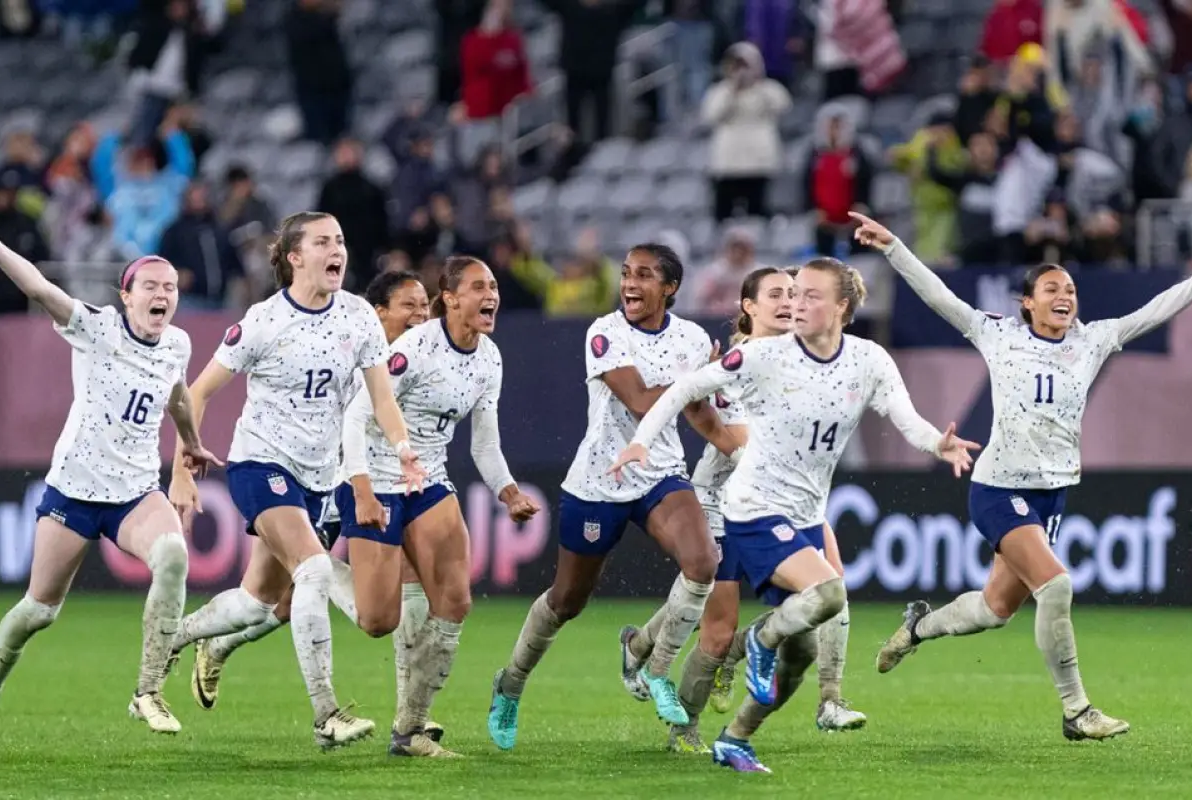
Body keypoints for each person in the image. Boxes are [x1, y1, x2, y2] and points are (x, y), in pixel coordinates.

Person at [610, 257, 977, 773]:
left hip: (803, 513)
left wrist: (938, 443)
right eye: (790, 294)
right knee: (825, 595)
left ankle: (736, 737)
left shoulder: (869, 360)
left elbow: (905, 417)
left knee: (801, 654)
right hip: (751, 506)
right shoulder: (763, 356)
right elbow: (687, 390)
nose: (795, 304)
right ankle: (718, 686)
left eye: (809, 295)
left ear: (842, 307)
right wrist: (641, 443)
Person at [852, 211, 1192, 741]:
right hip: (999, 488)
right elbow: (939, 296)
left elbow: (1159, 307)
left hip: (1052, 496)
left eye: (1071, 289)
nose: (1065, 295)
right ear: (1027, 302)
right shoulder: (997, 334)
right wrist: (894, 245)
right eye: (1052, 288)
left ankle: (918, 624)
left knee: (995, 609)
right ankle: (1077, 711)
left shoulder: (1094, 340)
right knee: (1056, 585)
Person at [165, 211, 428, 750]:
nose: (338, 250)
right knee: (312, 571)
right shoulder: (263, 321)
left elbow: (382, 397)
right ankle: (326, 715)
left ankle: (183, 635)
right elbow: (196, 392)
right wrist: (181, 468)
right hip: (260, 464)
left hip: (318, 477)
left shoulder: (357, 315)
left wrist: (403, 450)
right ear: (294, 257)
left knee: (260, 604)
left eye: (341, 240)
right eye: (324, 241)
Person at [486, 243, 742, 751]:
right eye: (626, 272)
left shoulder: (691, 337)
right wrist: (702, 378)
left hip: (660, 472)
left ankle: (659, 668)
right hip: (600, 480)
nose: (629, 282)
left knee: (703, 562)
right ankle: (511, 682)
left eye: (644, 275)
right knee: (567, 600)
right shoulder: (604, 332)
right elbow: (644, 399)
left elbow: (699, 415)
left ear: (669, 288)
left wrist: (739, 449)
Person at [621, 268, 866, 756]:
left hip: (790, 503)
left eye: (793, 295)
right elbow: (723, 434)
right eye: (775, 294)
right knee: (716, 628)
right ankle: (682, 727)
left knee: (829, 592)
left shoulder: (805, 361)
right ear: (748, 307)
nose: (787, 302)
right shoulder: (732, 367)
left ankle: (830, 699)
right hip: (723, 504)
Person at [0, 247, 220, 734]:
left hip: (135, 492)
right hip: (75, 490)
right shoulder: (97, 327)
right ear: (126, 296)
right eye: (151, 286)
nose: (163, 294)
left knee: (173, 558)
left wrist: (191, 443)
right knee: (39, 611)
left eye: (171, 287)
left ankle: (148, 691)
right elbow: (37, 287)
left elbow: (178, 395)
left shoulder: (176, 344)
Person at [341, 255, 540, 757]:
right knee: (377, 621)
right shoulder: (415, 348)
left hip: (427, 481)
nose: (491, 295)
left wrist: (508, 490)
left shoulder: (490, 357)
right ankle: (316, 570)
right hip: (379, 479)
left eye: (493, 286)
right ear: (449, 297)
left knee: (454, 601)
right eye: (478, 287)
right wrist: (362, 488)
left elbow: (483, 446)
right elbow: (358, 415)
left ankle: (409, 729)